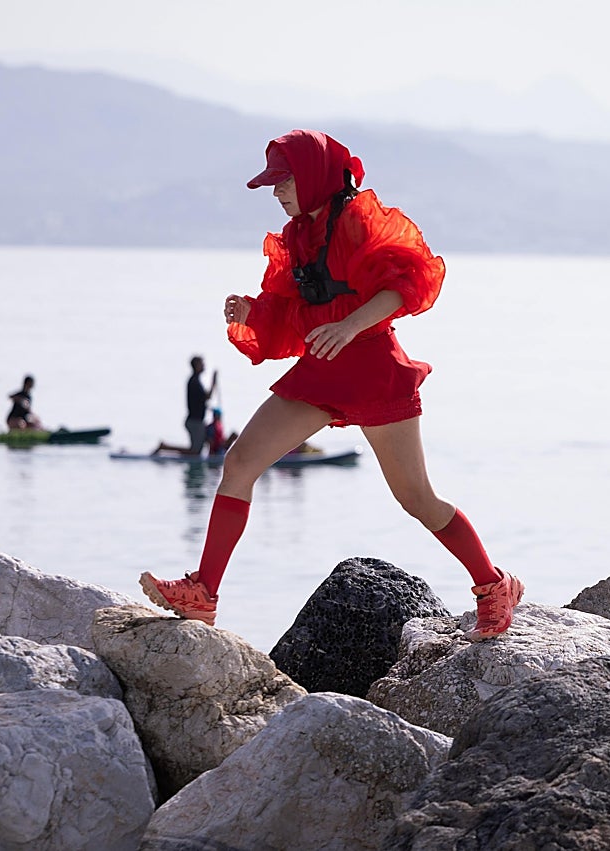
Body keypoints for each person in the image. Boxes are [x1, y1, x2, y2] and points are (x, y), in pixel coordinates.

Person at [140, 129, 523, 641]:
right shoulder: (299, 235)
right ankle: (204, 593)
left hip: (371, 368)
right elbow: (300, 314)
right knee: (239, 463)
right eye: (273, 184)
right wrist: (254, 312)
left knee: (416, 498)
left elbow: (405, 285)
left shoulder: (358, 220)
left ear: (315, 177)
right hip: (322, 369)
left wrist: (349, 327)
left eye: (284, 182)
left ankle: (494, 585)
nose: (277, 193)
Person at [153, 356, 219, 455]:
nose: (204, 366)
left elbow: (199, 401)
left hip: (197, 421)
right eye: (201, 364)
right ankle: (164, 447)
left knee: (202, 445)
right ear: (196, 366)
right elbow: (207, 397)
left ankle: (214, 456)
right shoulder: (194, 382)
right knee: (195, 452)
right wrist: (213, 381)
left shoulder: (196, 381)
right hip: (194, 422)